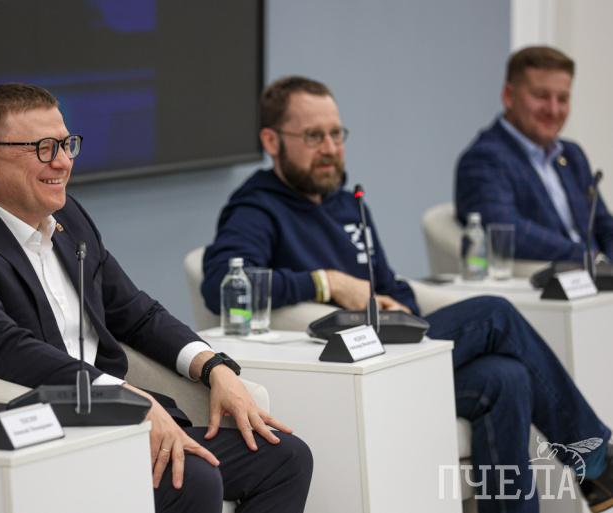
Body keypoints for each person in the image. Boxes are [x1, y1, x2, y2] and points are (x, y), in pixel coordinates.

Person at [201, 75, 613, 513]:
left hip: (391, 348)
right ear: (272, 140)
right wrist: (328, 283)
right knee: (495, 313)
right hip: (340, 365)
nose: (330, 148)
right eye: (313, 136)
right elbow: (222, 281)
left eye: (336, 134)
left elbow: (389, 284)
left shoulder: (348, 203)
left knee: (504, 377)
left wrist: (401, 306)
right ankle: (596, 461)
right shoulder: (257, 207)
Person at [0, 83, 313, 513]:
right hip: (49, 437)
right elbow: (5, 347)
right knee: (192, 477)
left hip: (117, 424)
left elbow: (136, 312)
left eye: (66, 145)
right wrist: (122, 398)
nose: (63, 162)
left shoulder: (68, 217)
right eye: (43, 148)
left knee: (286, 459)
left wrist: (214, 367)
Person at [456, 46, 613, 263]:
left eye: (563, 99)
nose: (553, 110)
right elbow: (507, 231)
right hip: (547, 281)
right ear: (508, 96)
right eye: (541, 96)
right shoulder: (483, 159)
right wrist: (591, 259)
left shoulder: (572, 155)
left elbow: (604, 225)